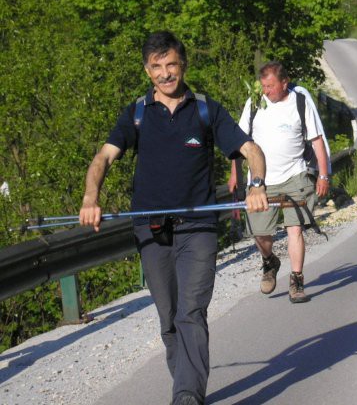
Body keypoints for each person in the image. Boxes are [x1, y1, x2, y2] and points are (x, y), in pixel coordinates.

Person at [79, 31, 268, 405]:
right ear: (147, 70)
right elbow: (102, 158)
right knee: (168, 318)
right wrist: (91, 197)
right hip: (151, 229)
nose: (166, 73)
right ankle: (185, 385)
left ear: (183, 65)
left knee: (191, 312)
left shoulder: (205, 109)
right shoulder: (136, 114)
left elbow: (251, 149)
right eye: (157, 67)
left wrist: (257, 184)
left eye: (171, 65)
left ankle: (186, 396)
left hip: (197, 228)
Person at [228, 61, 329, 303]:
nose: (266, 91)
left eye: (271, 86)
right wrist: (235, 175)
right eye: (263, 86)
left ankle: (296, 279)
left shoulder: (300, 101)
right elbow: (239, 142)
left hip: (296, 175)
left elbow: (317, 141)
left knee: (295, 229)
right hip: (260, 182)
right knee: (261, 234)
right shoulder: (254, 103)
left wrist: (324, 175)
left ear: (284, 83)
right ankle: (269, 260)